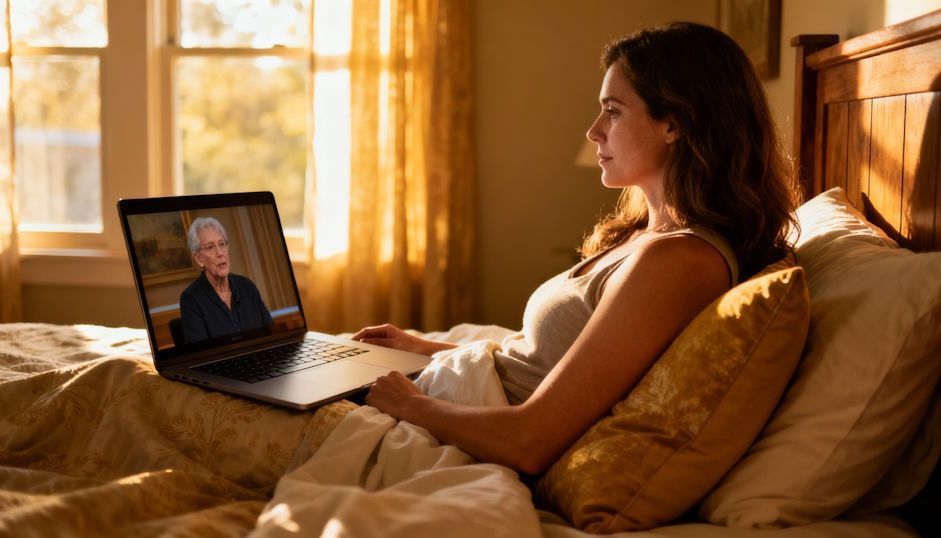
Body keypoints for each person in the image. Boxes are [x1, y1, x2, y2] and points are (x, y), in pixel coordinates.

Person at [351, 22, 799, 475]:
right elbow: (549, 360)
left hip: (451, 423)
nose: (593, 131)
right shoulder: (648, 233)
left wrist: (410, 406)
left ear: (674, 124)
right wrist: (427, 349)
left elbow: (529, 440)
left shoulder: (681, 263)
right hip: (447, 393)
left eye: (613, 111)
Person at [179, 217, 274, 344]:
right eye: (210, 247)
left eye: (222, 244)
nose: (220, 253)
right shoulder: (191, 299)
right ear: (198, 258)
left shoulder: (247, 286)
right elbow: (201, 354)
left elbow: (271, 333)